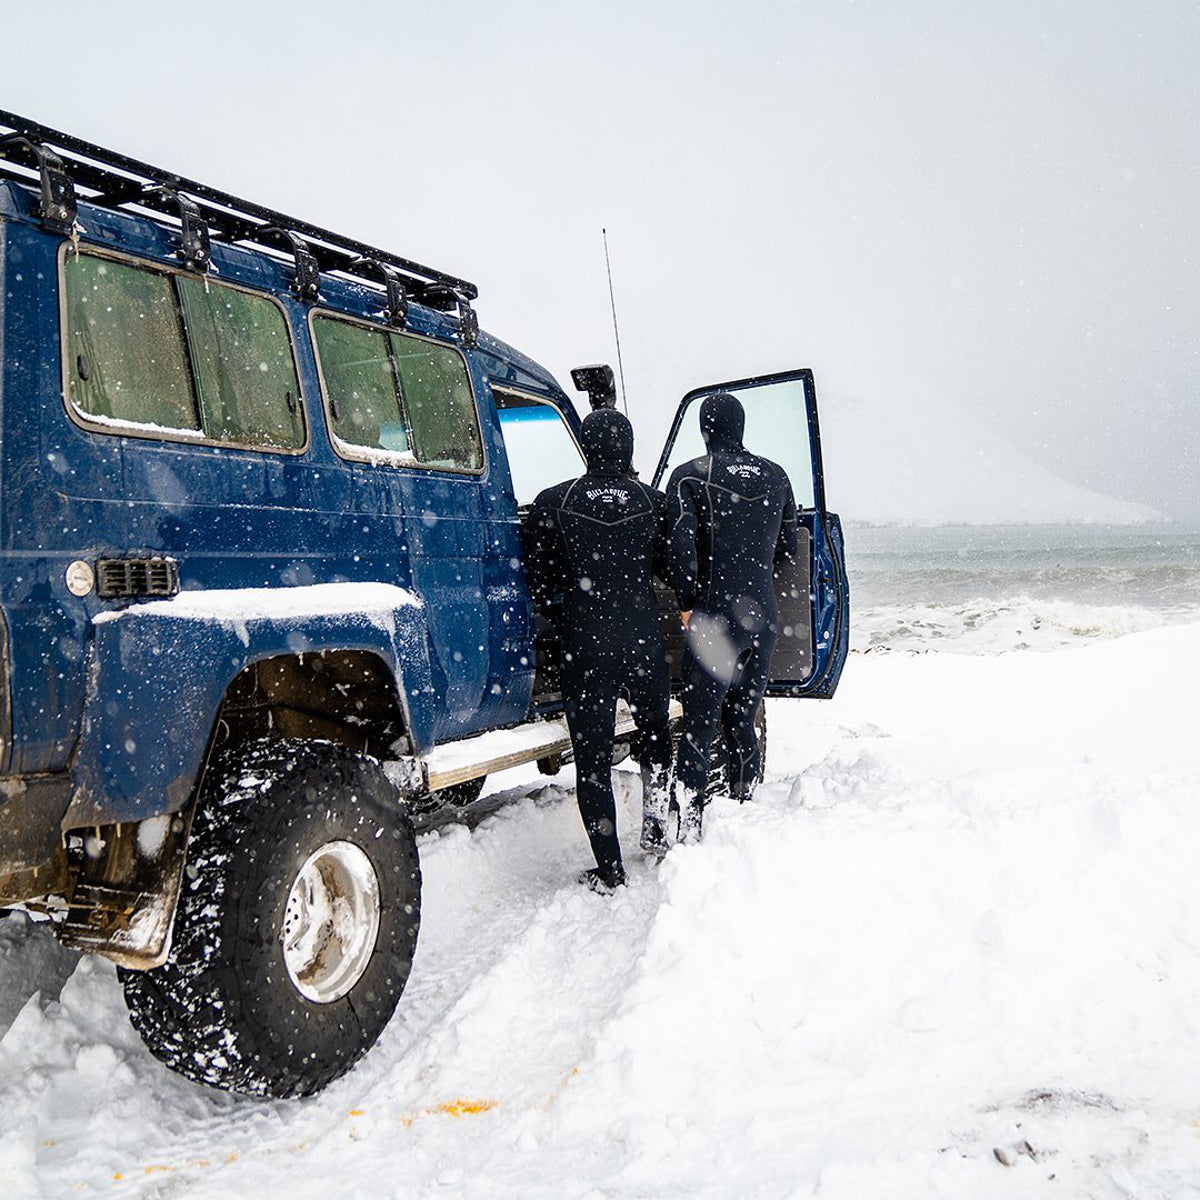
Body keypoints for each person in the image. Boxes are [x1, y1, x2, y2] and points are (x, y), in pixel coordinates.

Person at [524, 409, 674, 892]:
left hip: (586, 636)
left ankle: (610, 869)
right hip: (642, 633)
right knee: (655, 734)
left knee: (592, 758)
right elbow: (675, 571)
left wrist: (568, 600)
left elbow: (540, 579)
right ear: (627, 447)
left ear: (586, 446)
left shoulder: (554, 500)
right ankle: (656, 828)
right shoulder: (656, 502)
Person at [665, 391, 797, 843]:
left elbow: (680, 551)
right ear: (740, 428)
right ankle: (746, 811)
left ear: (705, 429)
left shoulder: (689, 477)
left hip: (714, 619)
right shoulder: (776, 475)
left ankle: (689, 832)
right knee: (743, 719)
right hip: (762, 616)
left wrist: (687, 602)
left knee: (699, 728)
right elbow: (788, 547)